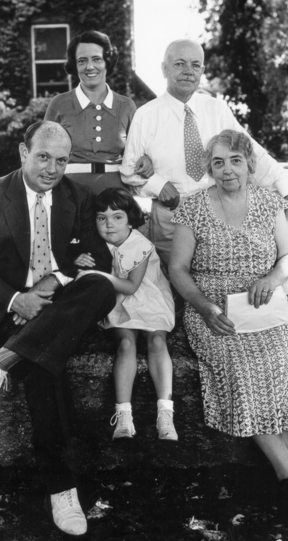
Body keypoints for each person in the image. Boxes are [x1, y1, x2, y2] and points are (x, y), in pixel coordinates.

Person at [0, 121, 116, 537]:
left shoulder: (77, 196)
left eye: (62, 160)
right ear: (23, 152)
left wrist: (52, 282)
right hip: (6, 307)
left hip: (56, 304)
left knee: (99, 287)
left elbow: (96, 258)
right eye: (43, 157)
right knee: (47, 367)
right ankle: (63, 490)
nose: (52, 169)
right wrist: (17, 300)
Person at [168, 130, 288, 525]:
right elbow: (177, 269)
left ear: (249, 163)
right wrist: (204, 307)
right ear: (209, 168)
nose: (227, 170)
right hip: (215, 311)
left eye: (235, 160)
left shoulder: (270, 202)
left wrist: (272, 279)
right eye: (218, 162)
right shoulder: (193, 208)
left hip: (266, 308)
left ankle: (277, 476)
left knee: (285, 367)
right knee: (242, 370)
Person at [120, 39, 288, 274]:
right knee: (178, 289)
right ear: (164, 68)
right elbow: (128, 170)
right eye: (179, 64)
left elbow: (251, 152)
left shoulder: (216, 109)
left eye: (196, 65)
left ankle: (279, 297)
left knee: (217, 285)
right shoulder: (145, 115)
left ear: (202, 71)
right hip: (172, 216)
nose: (188, 71)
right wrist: (159, 184)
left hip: (217, 213)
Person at [74, 188, 177, 441]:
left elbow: (132, 286)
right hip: (119, 301)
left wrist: (96, 275)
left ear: (130, 219)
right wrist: (80, 262)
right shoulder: (97, 244)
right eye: (101, 218)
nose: (109, 225)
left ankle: (165, 412)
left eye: (117, 217)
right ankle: (124, 415)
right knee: (125, 343)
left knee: (156, 341)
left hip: (149, 297)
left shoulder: (140, 244)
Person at [44, 29, 148, 180]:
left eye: (97, 59)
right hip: (69, 192)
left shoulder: (126, 105)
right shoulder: (59, 104)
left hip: (116, 192)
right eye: (82, 61)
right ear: (75, 65)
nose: (89, 66)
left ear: (107, 62)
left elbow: (139, 155)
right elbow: (44, 154)